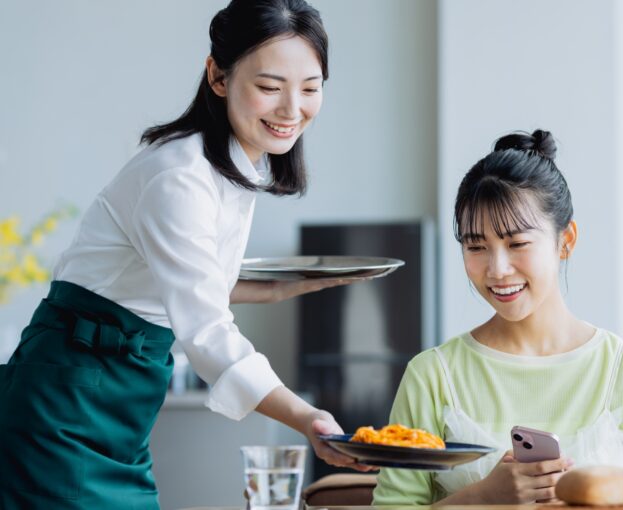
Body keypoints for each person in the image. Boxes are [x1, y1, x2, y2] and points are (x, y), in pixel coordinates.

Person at [0, 1, 371, 508]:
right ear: (218, 76)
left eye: (310, 87)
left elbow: (174, 284)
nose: (292, 109)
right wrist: (306, 417)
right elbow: (206, 332)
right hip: (66, 398)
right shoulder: (179, 176)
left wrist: (278, 288)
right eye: (269, 87)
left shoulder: (237, 166)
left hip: (120, 401)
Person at [372, 129, 623, 505]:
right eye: (476, 246)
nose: (497, 269)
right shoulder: (432, 376)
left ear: (566, 240)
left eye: (517, 243)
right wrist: (484, 498)